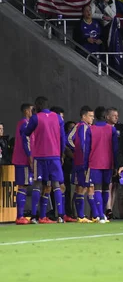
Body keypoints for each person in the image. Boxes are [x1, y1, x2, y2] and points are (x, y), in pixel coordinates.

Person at [23, 96, 66, 224]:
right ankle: (60, 216)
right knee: (56, 185)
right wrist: (61, 154)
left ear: (37, 106)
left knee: (38, 184)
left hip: (40, 156)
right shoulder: (57, 117)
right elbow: (62, 138)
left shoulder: (35, 118)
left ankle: (35, 216)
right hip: (54, 155)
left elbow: (26, 132)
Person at [88, 106, 119, 223]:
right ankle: (103, 215)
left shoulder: (91, 129)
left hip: (94, 162)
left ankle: (100, 215)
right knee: (106, 188)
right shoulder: (112, 130)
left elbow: (87, 149)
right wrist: (116, 165)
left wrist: (86, 164)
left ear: (95, 116)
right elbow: (116, 149)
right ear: (106, 116)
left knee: (97, 189)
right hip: (108, 163)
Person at [67, 106, 96, 222]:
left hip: (85, 161)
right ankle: (81, 216)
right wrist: (77, 150)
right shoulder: (80, 126)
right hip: (82, 162)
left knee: (84, 186)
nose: (92, 118)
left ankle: (85, 215)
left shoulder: (89, 127)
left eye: (93, 116)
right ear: (84, 116)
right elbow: (68, 138)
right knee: (83, 187)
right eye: (90, 116)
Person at [12, 103, 34, 225]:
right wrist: (30, 157)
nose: (33, 112)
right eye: (31, 110)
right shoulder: (24, 124)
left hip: (22, 159)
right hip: (23, 160)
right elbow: (26, 142)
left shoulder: (24, 123)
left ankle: (21, 216)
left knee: (24, 185)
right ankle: (20, 216)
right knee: (22, 186)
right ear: (26, 111)